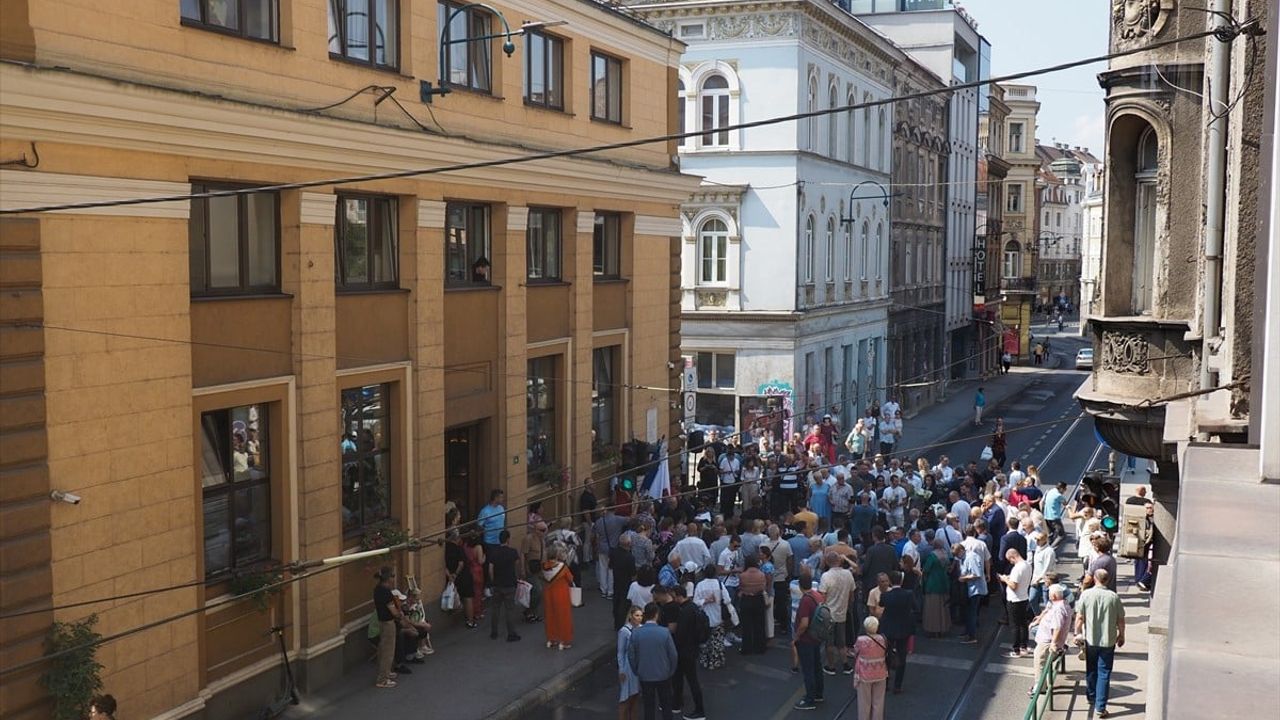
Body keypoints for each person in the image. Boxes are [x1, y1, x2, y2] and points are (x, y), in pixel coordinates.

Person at [1074, 569, 1126, 718]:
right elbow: (1121, 620)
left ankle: (1091, 696)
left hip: (1091, 639)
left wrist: (1077, 633)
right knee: (1104, 673)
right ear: (1107, 580)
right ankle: (1100, 707)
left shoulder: (1086, 595)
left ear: (1095, 579)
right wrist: (1122, 635)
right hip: (1108, 641)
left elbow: (1079, 617)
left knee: (1091, 669)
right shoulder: (1113, 597)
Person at [629, 602, 679, 720]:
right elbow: (673, 655)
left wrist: (637, 670)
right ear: (656, 615)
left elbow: (631, 655)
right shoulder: (664, 632)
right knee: (666, 705)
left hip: (645, 674)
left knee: (648, 706)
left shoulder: (636, 633)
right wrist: (670, 670)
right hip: (663, 674)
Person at [670, 586, 707, 720]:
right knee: (681, 677)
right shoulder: (693, 608)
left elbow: (681, 634)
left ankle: (699, 710)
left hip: (685, 650)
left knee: (690, 680)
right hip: (691, 648)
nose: (673, 600)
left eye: (674, 597)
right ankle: (677, 703)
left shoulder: (685, 612)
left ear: (679, 595)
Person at [1029, 585, 1072, 698]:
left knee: (1040, 664)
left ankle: (1040, 688)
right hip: (1048, 641)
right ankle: (1040, 686)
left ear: (1053, 596)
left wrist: (1053, 643)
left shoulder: (1058, 609)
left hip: (1047, 643)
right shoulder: (1061, 605)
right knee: (1041, 663)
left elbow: (1057, 627)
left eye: (1049, 594)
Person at [792, 570, 825, 711]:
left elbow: (804, 623)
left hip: (806, 639)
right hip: (817, 636)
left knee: (808, 669)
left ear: (800, 586)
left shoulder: (805, 600)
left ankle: (809, 699)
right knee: (817, 666)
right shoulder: (817, 596)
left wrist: (796, 637)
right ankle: (819, 693)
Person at [878, 571, 916, 694]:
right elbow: (916, 607)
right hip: (904, 628)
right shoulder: (909, 594)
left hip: (888, 628)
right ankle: (898, 685)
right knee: (902, 655)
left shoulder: (885, 595)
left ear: (890, 581)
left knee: (886, 655)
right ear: (901, 581)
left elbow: (881, 604)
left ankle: (886, 682)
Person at [818, 550, 855, 675]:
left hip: (829, 613)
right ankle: (845, 665)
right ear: (839, 561)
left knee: (829, 643)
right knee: (841, 641)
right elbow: (851, 593)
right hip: (842, 612)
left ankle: (831, 665)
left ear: (827, 562)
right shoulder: (848, 574)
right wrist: (848, 606)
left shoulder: (826, 576)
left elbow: (822, 596)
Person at [852, 616, 890, 720]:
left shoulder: (861, 640)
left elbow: (855, 652)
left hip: (864, 674)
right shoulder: (883, 639)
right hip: (881, 672)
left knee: (864, 701)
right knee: (878, 701)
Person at [487, 530, 522, 642]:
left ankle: (494, 632)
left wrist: (493, 582)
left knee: (495, 609)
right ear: (508, 539)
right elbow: (517, 567)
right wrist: (517, 578)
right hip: (509, 584)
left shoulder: (494, 552)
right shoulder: (513, 552)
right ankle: (511, 634)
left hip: (497, 584)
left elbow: (490, 569)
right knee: (509, 610)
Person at [998, 548, 1032, 657]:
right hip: (1024, 597)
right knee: (1023, 624)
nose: (1010, 562)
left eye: (1010, 560)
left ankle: (1016, 649)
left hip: (1014, 599)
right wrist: (1010, 578)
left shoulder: (1017, 568)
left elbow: (1013, 586)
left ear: (1013, 556)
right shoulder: (1027, 565)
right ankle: (1024, 646)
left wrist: (1004, 579)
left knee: (1015, 625)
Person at [372, 566, 401, 688]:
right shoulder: (386, 592)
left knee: (383, 649)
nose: (394, 578)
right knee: (388, 651)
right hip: (388, 623)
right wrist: (399, 614)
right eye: (393, 576)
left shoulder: (377, 589)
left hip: (381, 621)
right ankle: (383, 679)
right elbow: (393, 611)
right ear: (388, 578)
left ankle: (386, 672)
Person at [762, 525, 793, 637]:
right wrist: (788, 574)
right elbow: (790, 560)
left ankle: (770, 624)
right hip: (781, 576)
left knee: (769, 601)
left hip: (766, 577)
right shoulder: (785, 545)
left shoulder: (763, 544)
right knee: (782, 602)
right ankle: (783, 625)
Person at [694, 564, 727, 670]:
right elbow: (727, 599)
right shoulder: (719, 584)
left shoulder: (700, 585)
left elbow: (695, 602)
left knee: (705, 641)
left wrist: (705, 601)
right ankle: (716, 661)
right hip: (718, 617)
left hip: (704, 618)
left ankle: (705, 661)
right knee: (716, 641)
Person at [542, 548, 575, 650]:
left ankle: (551, 639)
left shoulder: (544, 566)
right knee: (563, 616)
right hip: (561, 594)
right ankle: (564, 641)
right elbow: (570, 578)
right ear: (556, 556)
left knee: (550, 616)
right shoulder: (562, 567)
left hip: (548, 593)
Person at [446, 531, 479, 629]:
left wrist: (450, 576)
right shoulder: (458, 548)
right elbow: (461, 563)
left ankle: (459, 617)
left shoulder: (446, 549)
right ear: (456, 539)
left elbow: (444, 566)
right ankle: (470, 621)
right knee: (468, 598)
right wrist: (456, 573)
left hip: (453, 578)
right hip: (463, 576)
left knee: (457, 595)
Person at [737, 556, 769, 654]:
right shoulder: (761, 574)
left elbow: (741, 587)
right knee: (759, 624)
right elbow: (764, 587)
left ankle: (747, 648)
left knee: (746, 625)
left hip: (746, 599)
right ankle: (760, 647)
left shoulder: (743, 575)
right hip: (758, 599)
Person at [955, 544, 986, 644]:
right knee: (968, 612)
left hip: (975, 589)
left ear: (961, 550)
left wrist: (963, 578)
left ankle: (972, 636)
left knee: (972, 613)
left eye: (957, 555)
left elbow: (976, 574)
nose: (957, 557)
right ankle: (968, 631)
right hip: (969, 589)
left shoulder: (971, 557)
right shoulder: (965, 557)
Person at [921, 538, 951, 638]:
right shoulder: (946, 555)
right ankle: (943, 627)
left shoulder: (932, 556)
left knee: (932, 608)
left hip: (933, 584)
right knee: (943, 608)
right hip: (944, 583)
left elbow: (926, 570)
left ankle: (933, 629)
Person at [596, 507, 628, 599]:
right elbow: (630, 519)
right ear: (614, 510)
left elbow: (597, 535)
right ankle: (610, 591)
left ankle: (603, 590)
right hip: (613, 549)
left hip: (602, 548)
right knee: (611, 570)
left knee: (602, 568)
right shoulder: (618, 519)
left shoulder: (598, 522)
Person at [618, 606, 643, 720]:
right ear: (631, 616)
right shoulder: (624, 631)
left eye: (641, 615)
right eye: (637, 615)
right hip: (628, 667)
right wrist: (621, 669)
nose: (639, 618)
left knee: (635, 697)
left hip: (639, 666)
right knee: (625, 698)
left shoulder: (642, 629)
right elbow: (621, 652)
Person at [612, 534, 639, 629]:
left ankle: (616, 622)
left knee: (616, 601)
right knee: (623, 605)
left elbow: (610, 565)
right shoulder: (630, 557)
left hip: (616, 580)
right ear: (629, 543)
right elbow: (633, 573)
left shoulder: (614, 552)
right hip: (626, 583)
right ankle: (621, 624)